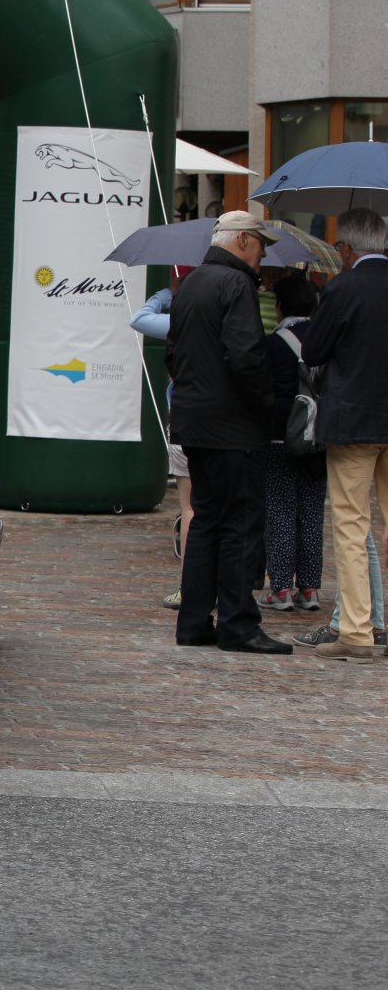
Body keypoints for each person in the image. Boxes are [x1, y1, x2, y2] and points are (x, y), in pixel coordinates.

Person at [165, 210, 289, 654]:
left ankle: (194, 621)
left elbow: (172, 354)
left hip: (196, 421)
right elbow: (245, 356)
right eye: (261, 244)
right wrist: (265, 406)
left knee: (207, 520)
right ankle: (238, 624)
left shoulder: (191, 283)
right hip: (233, 426)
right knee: (239, 524)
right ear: (242, 241)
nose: (263, 254)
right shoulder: (236, 284)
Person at [300, 207, 388, 664]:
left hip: (354, 421)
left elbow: (313, 349)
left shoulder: (344, 287)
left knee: (352, 526)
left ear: (348, 248)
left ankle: (356, 631)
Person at [255, 274, 325, 613]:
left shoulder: (272, 344)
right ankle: (309, 589)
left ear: (280, 306)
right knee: (312, 511)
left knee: (281, 509)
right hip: (317, 436)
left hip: (279, 435)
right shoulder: (325, 341)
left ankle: (280, 588)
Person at [130, 267, 192, 610]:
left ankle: (189, 586)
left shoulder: (181, 320)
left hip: (187, 418)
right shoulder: (226, 317)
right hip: (224, 421)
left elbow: (139, 319)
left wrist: (170, 293)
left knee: (190, 508)